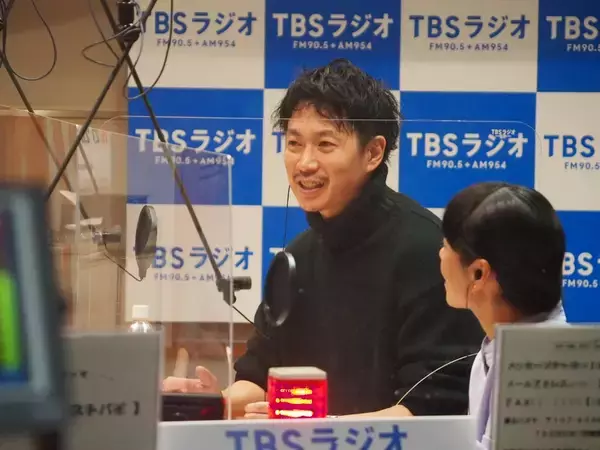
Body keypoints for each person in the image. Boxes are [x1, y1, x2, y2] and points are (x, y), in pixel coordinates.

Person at [163, 58, 483, 418]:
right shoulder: (297, 256)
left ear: (373, 153)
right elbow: (260, 374)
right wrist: (214, 403)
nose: (305, 163)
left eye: (325, 144)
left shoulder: (426, 250)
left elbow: (432, 407)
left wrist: (322, 430)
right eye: (294, 143)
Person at [439, 182, 567, 449]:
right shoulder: (496, 351)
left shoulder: (543, 376)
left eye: (446, 245)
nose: (440, 254)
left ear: (478, 273)